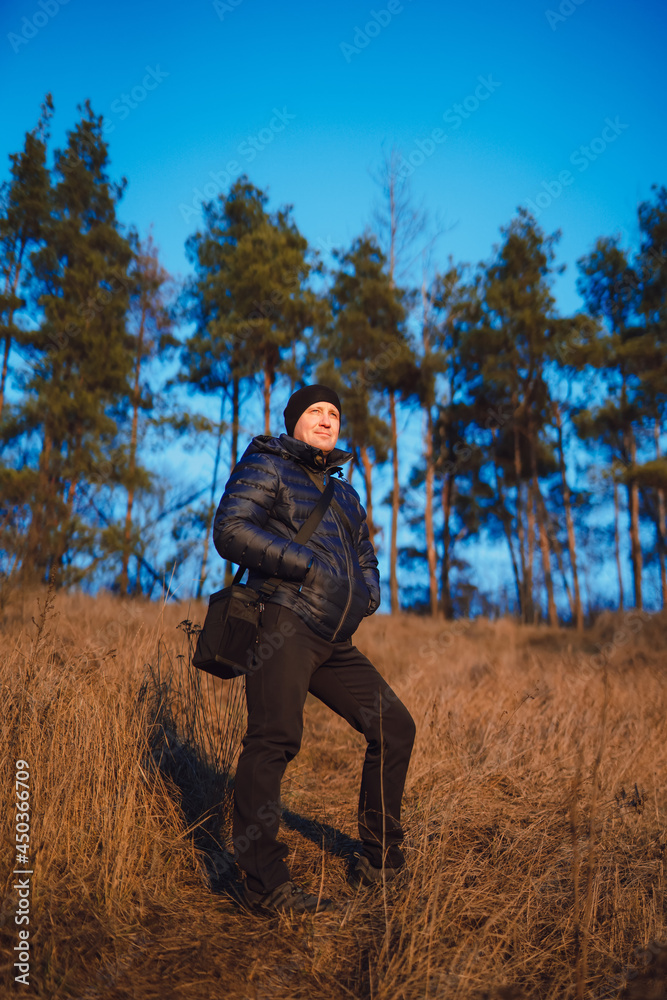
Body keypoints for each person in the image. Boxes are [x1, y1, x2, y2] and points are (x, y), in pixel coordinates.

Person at [213, 384, 416, 915]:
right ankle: (262, 884)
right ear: (294, 421)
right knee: (274, 738)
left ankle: (380, 858)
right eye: (315, 412)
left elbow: (365, 554)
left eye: (333, 413)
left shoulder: (345, 493)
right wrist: (306, 567)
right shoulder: (268, 463)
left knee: (394, 727)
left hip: (334, 636)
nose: (326, 420)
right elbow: (231, 529)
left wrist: (367, 593)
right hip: (282, 619)